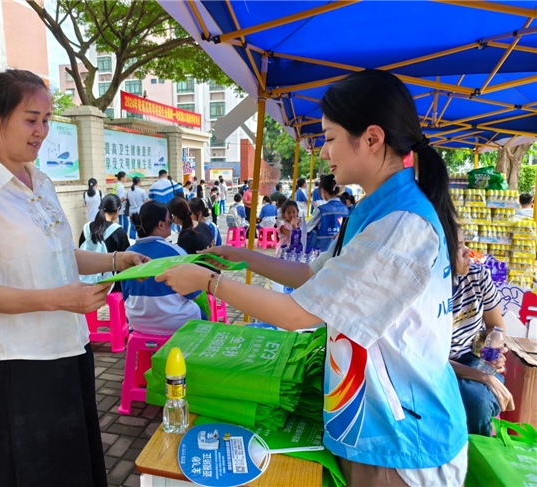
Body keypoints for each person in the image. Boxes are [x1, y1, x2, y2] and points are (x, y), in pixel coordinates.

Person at [156, 69, 468, 487]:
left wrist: (208, 283)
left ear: (372, 139)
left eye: (331, 137)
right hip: (381, 428)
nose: (324, 153)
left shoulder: (399, 227)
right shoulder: (374, 210)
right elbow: (310, 277)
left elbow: (300, 313)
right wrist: (239, 255)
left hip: (402, 442)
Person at [0, 69, 146, 487]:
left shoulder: (40, 181)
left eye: (46, 120)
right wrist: (58, 299)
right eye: (30, 119)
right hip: (20, 362)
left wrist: (117, 260)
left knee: (75, 468)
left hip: (69, 345)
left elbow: (62, 254)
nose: (41, 131)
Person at [450, 229, 514, 436]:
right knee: (476, 401)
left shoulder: (477, 276)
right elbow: (428, 358)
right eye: (459, 247)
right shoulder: (424, 289)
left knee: (481, 399)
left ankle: (479, 452)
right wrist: (483, 377)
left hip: (471, 357)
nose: (468, 252)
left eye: (465, 243)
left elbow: (495, 326)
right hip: (436, 365)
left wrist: (491, 349)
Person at [122, 201, 203, 335]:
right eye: (170, 220)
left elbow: (126, 295)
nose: (172, 223)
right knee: (202, 312)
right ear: (161, 224)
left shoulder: (127, 254)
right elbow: (194, 293)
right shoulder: (176, 252)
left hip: (138, 323)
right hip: (176, 323)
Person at [79, 194, 131, 293]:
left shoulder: (86, 228)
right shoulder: (118, 231)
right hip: (111, 283)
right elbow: (125, 258)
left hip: (86, 280)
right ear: (118, 209)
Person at [310, 174, 350, 252]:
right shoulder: (346, 210)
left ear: (323, 191)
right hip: (339, 252)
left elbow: (307, 228)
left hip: (321, 252)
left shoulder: (321, 210)